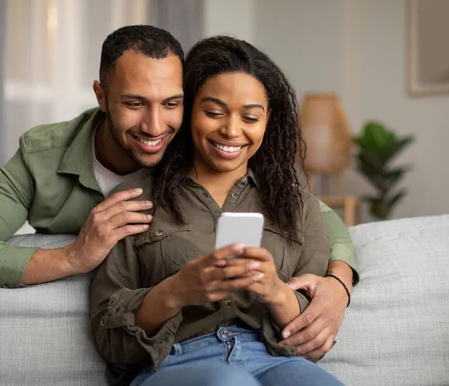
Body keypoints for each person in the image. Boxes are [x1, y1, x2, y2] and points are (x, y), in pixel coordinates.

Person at [0, 25, 357, 360]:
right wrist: (72, 257)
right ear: (101, 97)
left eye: (171, 103)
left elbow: (318, 218)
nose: (154, 127)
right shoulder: (42, 159)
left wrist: (337, 285)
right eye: (133, 103)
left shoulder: (196, 150)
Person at [90, 35, 347, 386]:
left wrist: (274, 290)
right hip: (173, 364)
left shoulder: (297, 205)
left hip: (271, 359)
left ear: (268, 119)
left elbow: (312, 329)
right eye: (213, 112)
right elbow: (109, 337)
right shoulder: (133, 200)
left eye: (250, 117)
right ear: (189, 108)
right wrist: (176, 291)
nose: (231, 130)